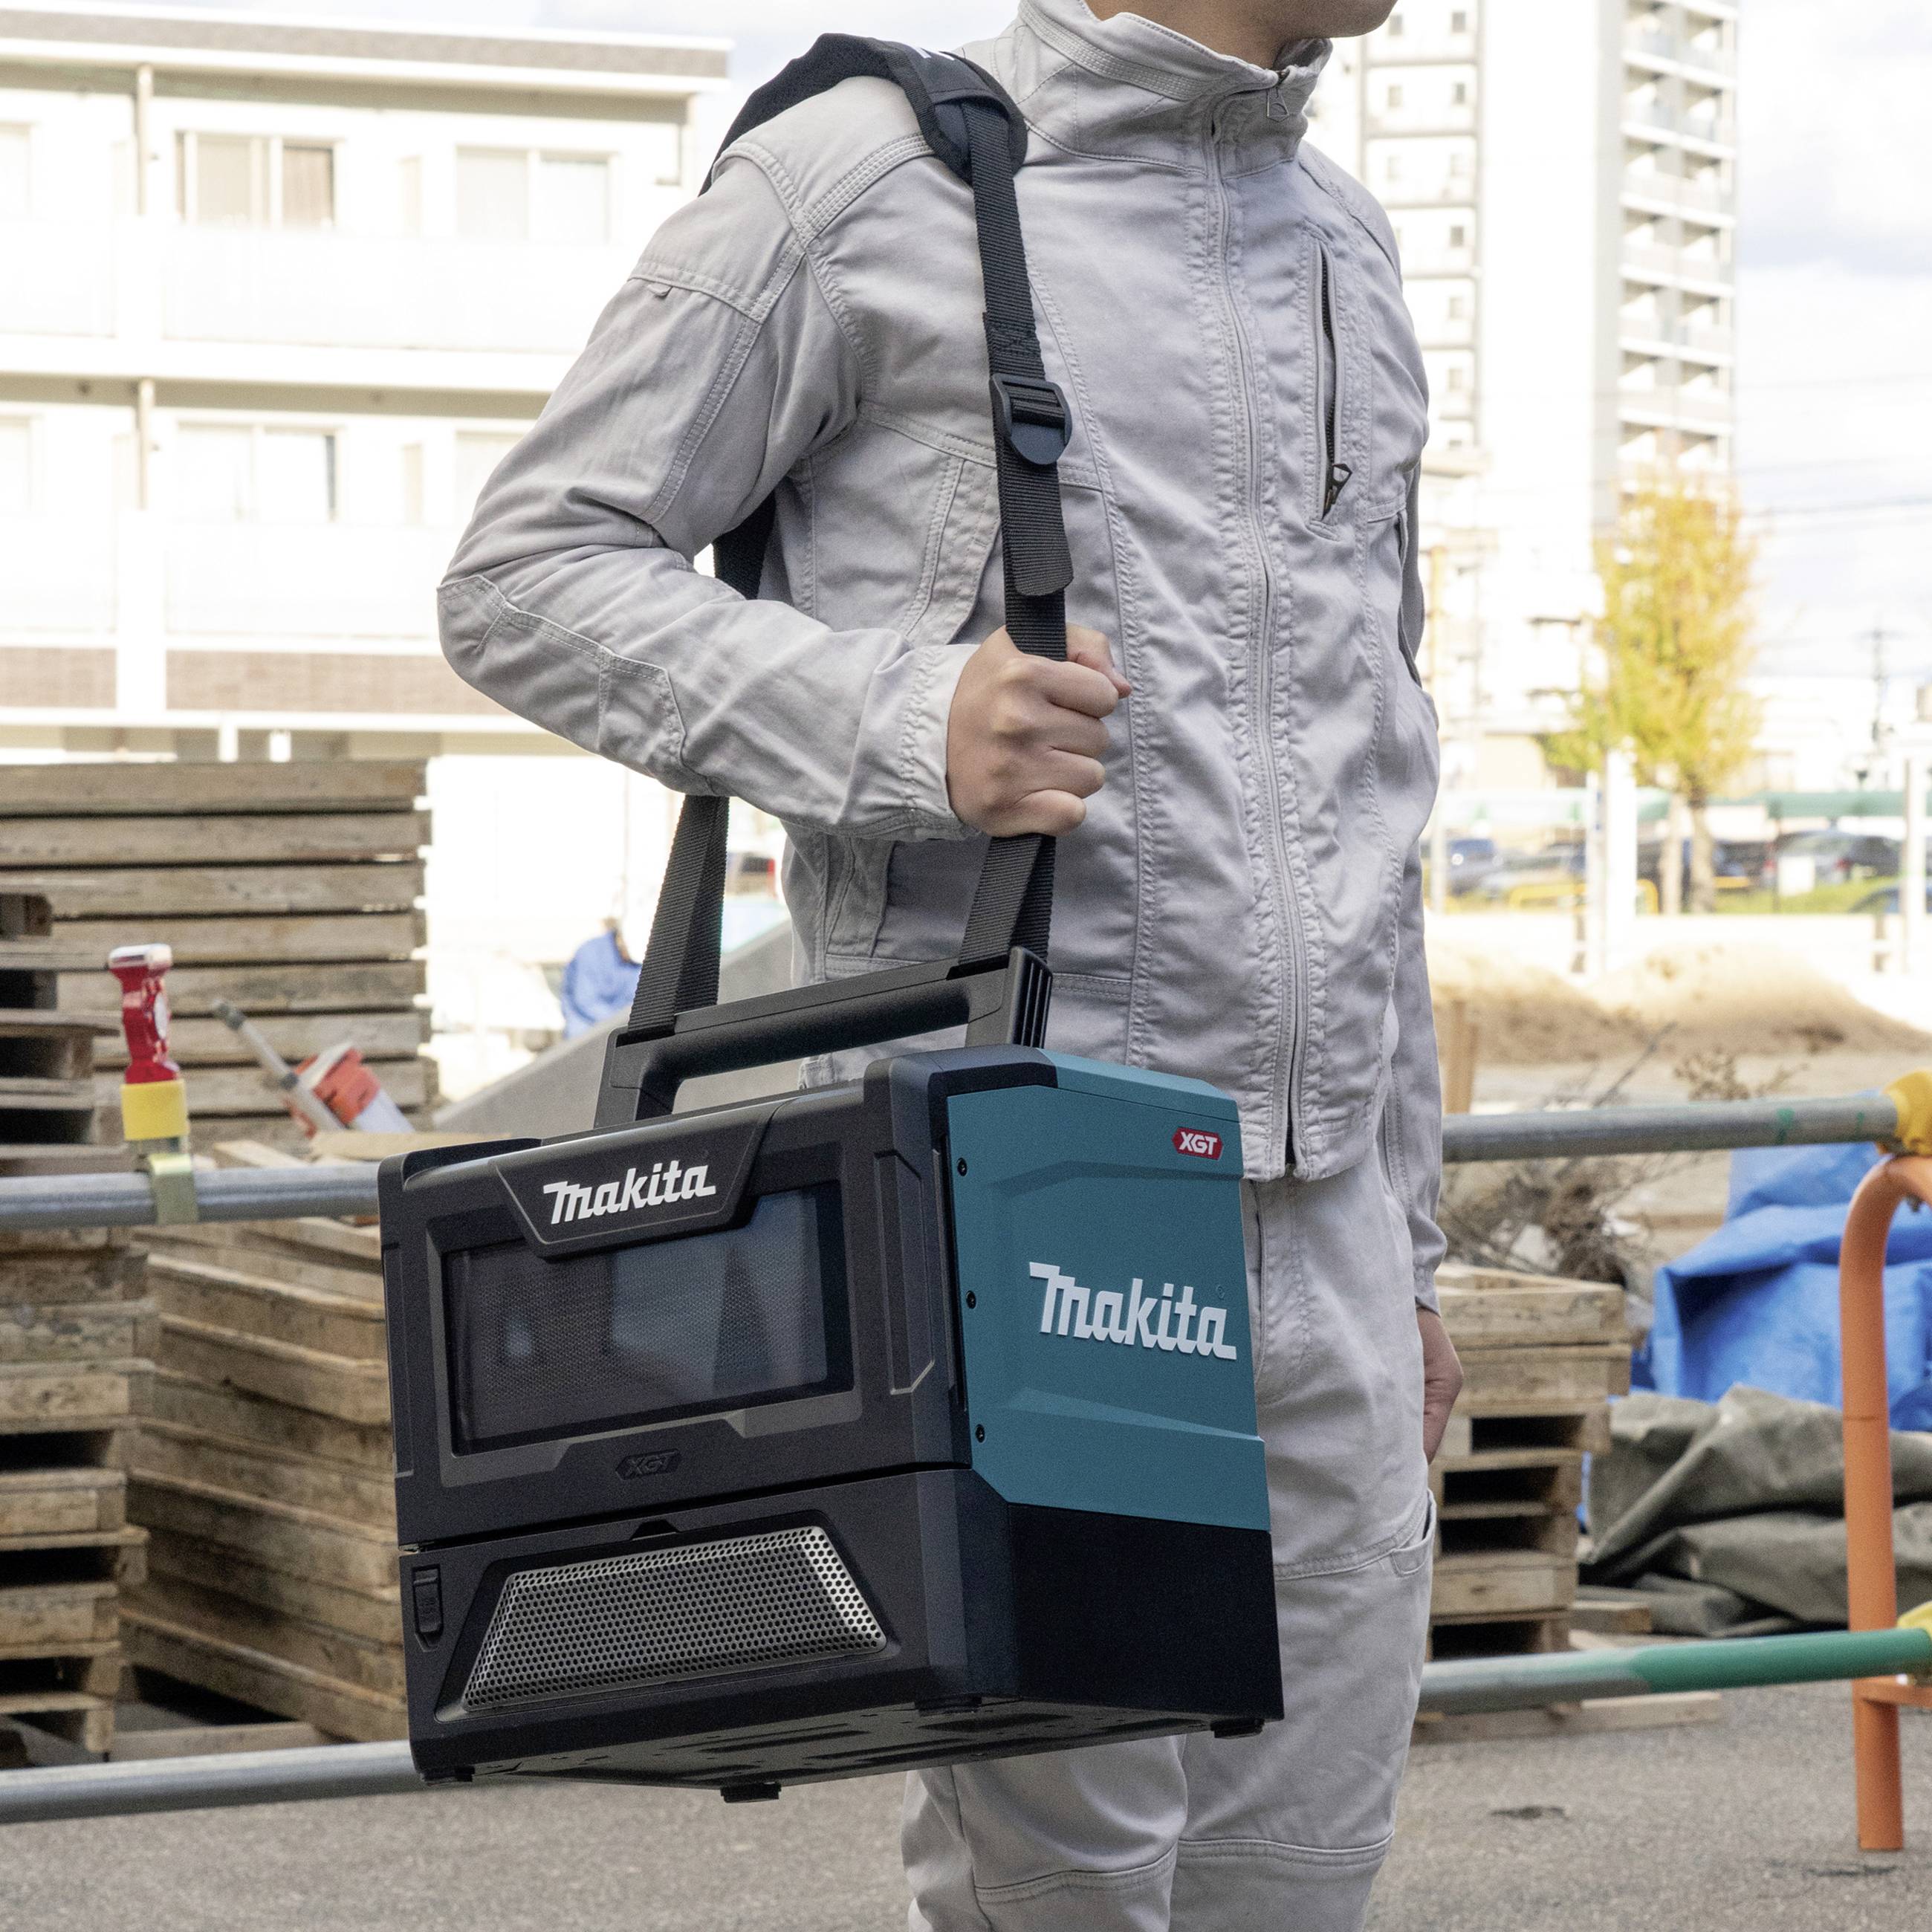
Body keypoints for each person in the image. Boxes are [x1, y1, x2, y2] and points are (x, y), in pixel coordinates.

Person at [440, 2, 1462, 1924]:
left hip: (1327, 1233)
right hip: (1040, 1205)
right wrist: (909, 722)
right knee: (1061, 1891)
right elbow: (527, 571)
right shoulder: (860, 184)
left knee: (1307, 1881)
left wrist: (1405, 1256)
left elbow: (1372, 764)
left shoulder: (1342, 237)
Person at [557, 917, 640, 1037]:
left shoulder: (637, 963)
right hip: (584, 1027)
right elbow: (586, 1001)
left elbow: (635, 1001)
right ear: (621, 940)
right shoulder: (591, 952)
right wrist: (619, 1022)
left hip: (620, 1026)